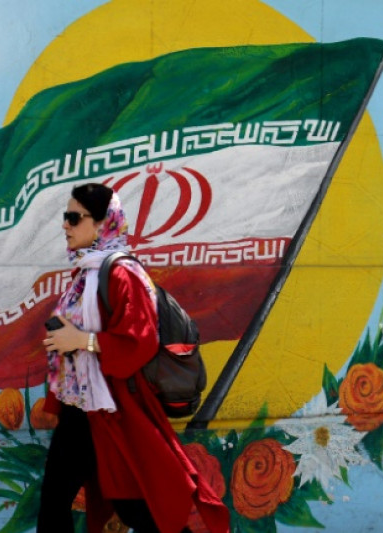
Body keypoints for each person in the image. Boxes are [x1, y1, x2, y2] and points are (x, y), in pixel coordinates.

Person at [37, 183, 230, 533]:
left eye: (74, 218)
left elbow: (139, 342)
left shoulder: (123, 273)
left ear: (102, 223)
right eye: (66, 217)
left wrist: (81, 340)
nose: (65, 225)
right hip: (83, 409)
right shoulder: (85, 272)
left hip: (114, 411)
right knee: (56, 502)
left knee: (134, 507)